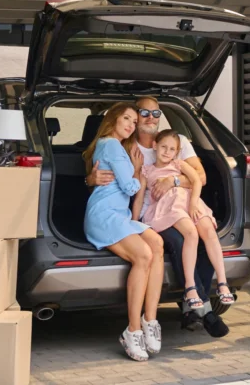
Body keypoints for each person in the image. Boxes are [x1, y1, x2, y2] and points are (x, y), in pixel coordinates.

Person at [86, 96, 230, 338]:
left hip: (182, 203)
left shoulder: (177, 140)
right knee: (179, 240)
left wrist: (171, 180)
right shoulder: (125, 144)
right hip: (153, 212)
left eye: (155, 113)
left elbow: (200, 177)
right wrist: (90, 179)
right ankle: (202, 308)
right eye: (141, 114)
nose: (148, 118)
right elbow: (111, 179)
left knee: (203, 236)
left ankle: (192, 304)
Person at [81, 103, 164, 361]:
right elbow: (130, 188)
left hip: (120, 215)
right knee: (143, 256)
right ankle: (133, 330)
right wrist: (138, 172)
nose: (130, 124)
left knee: (157, 244)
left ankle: (150, 319)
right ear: (113, 120)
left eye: (133, 120)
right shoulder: (111, 145)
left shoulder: (117, 147)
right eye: (125, 119)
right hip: (104, 215)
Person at [134, 129, 235, 310]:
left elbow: (197, 180)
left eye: (172, 149)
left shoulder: (179, 164)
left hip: (190, 203)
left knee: (210, 232)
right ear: (155, 146)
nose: (167, 152)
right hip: (170, 207)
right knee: (191, 234)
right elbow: (140, 197)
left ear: (177, 152)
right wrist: (133, 221)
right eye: (163, 147)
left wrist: (194, 203)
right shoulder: (146, 171)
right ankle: (190, 288)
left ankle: (222, 282)